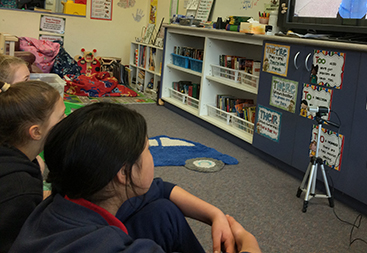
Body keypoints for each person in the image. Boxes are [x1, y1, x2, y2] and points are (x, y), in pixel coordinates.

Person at [11, 103, 260, 253]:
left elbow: (160, 190)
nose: (151, 155)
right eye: (148, 149)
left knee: (163, 212)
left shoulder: (70, 196)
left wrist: (215, 215)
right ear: (123, 173)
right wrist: (250, 246)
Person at [0, 81, 66, 253]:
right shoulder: (20, 188)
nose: (67, 121)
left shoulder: (17, 160)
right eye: (61, 117)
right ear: (36, 132)